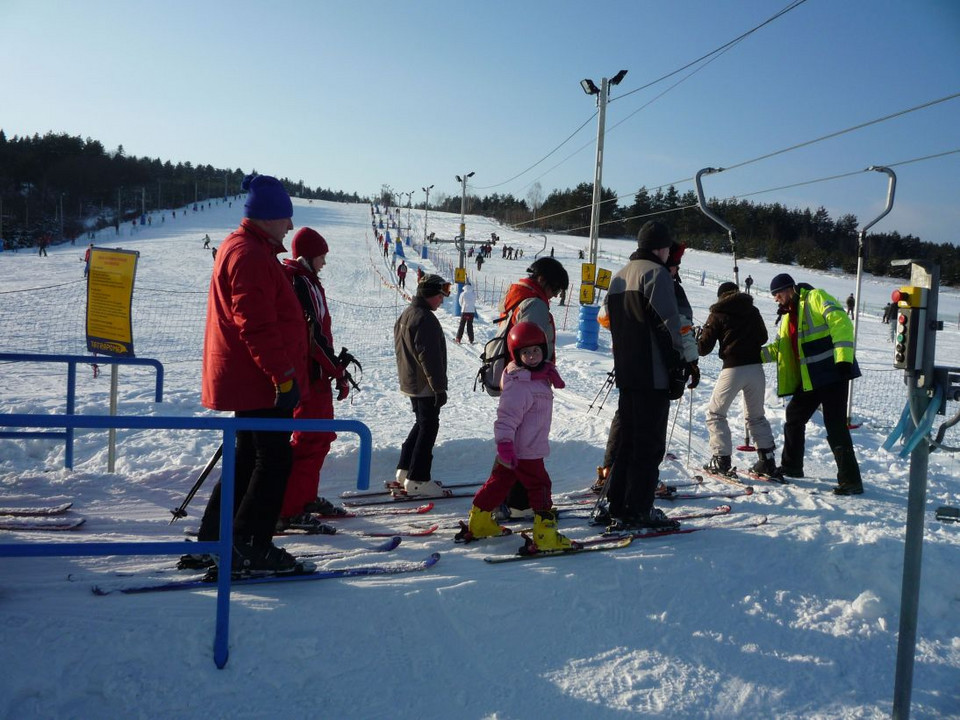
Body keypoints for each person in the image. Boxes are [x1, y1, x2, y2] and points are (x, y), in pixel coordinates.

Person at [190, 174, 311, 576]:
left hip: (253, 379)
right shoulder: (250, 255)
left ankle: (216, 540)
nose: (290, 227)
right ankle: (249, 544)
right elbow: (256, 325)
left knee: (247, 459)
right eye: (286, 218)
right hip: (260, 382)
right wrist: (284, 377)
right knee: (273, 460)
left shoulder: (247, 248)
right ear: (269, 217)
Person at [600, 221, 690, 530]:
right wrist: (677, 367)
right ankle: (638, 509)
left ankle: (617, 502)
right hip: (653, 375)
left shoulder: (620, 276)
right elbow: (667, 325)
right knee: (649, 445)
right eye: (667, 248)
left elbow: (611, 322)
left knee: (628, 441)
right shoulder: (656, 274)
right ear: (660, 248)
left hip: (627, 372)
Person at [457, 322, 577, 552]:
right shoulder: (520, 384)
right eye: (525, 352)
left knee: (500, 482)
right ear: (516, 355)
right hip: (525, 450)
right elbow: (506, 418)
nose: (532, 356)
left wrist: (549, 372)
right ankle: (545, 536)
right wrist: (504, 444)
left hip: (522, 447)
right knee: (540, 486)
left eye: (536, 351)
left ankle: (479, 521)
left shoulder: (535, 377)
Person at [277, 228, 353, 531]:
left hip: (316, 375)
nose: (324, 262)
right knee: (310, 439)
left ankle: (303, 497)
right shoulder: (301, 282)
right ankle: (290, 508)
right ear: (308, 255)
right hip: (309, 377)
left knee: (320, 438)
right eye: (321, 256)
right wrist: (335, 369)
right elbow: (313, 336)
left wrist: (334, 368)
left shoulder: (307, 280)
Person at [762, 273, 864, 495]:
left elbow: (841, 322)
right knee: (794, 417)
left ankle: (851, 480)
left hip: (834, 373)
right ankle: (791, 466)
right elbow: (778, 349)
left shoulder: (816, 298)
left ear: (789, 289)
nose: (776, 299)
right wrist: (750, 355)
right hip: (811, 379)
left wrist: (844, 359)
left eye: (777, 294)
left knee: (835, 424)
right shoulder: (788, 317)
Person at [493, 256, 569, 519]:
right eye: (556, 289)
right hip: (528, 383)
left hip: (516, 380)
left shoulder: (519, 297)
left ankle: (505, 499)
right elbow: (531, 347)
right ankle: (519, 503)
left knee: (515, 438)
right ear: (544, 281)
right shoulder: (534, 304)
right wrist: (542, 372)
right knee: (527, 442)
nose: (555, 295)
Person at [698, 282, 778, 476]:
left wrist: (697, 337)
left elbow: (703, 348)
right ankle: (766, 461)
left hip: (733, 369)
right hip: (756, 369)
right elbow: (764, 337)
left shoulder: (718, 313)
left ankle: (721, 459)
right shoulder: (752, 310)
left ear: (720, 297)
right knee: (756, 416)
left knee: (716, 413)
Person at [393, 273, 451, 497]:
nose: (442, 300)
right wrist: (438, 387)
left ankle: (405, 469)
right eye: (440, 295)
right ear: (430, 294)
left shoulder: (408, 313)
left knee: (422, 424)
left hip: (412, 381)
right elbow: (430, 357)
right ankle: (418, 479)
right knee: (429, 428)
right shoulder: (424, 318)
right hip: (424, 383)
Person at [455, 279, 476, 344]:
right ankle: (471, 339)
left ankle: (458, 339)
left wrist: (463, 306)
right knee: (470, 325)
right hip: (471, 311)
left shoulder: (463, 294)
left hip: (464, 311)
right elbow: (474, 302)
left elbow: (460, 302)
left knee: (462, 325)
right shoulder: (473, 294)